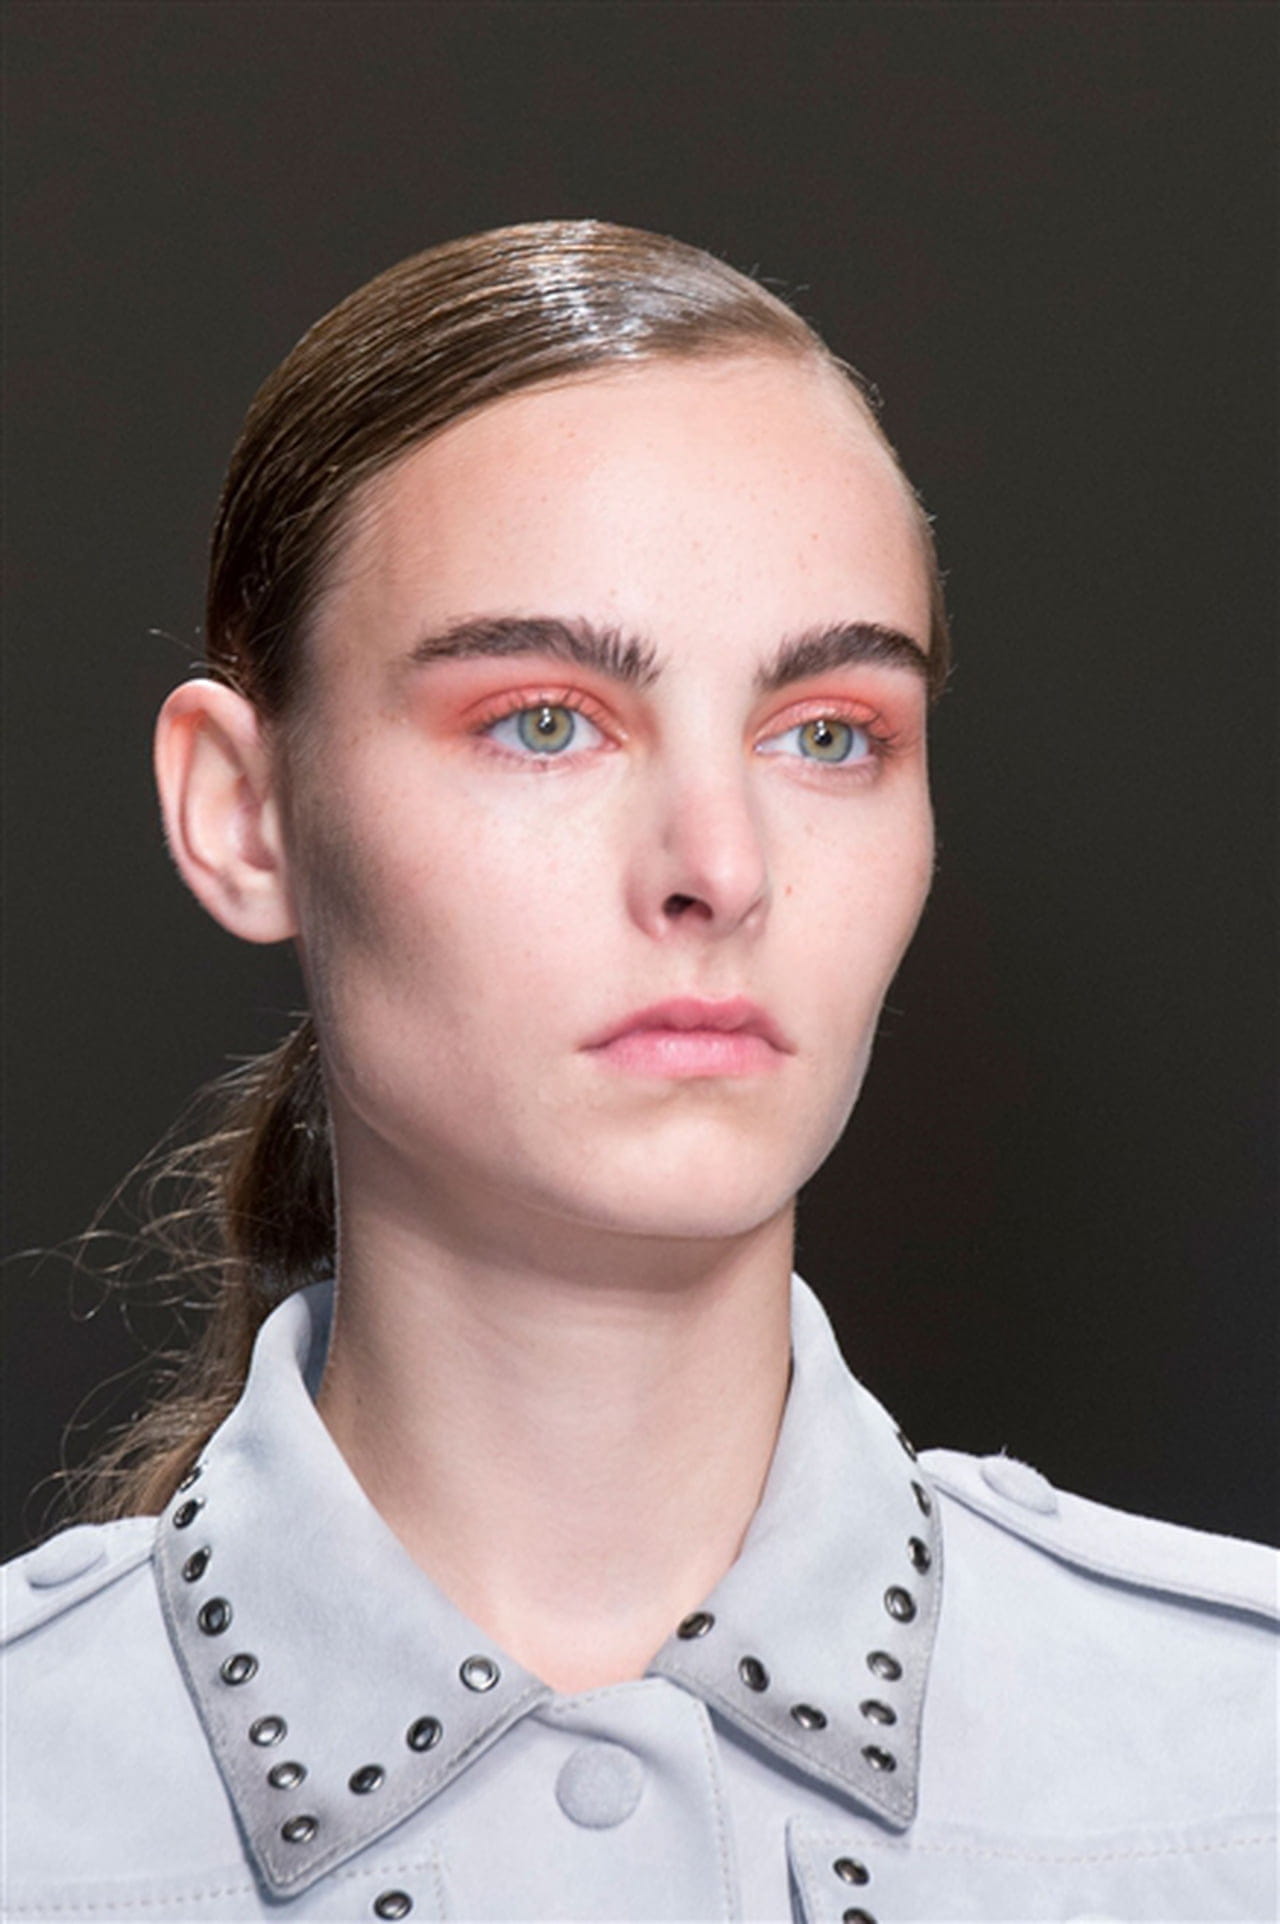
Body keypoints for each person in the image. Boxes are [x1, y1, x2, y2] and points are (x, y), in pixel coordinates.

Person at [2, 220, 1274, 1924]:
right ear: (244, 813)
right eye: (543, 721)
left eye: (828, 734)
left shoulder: (1240, 1773)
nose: (718, 868)